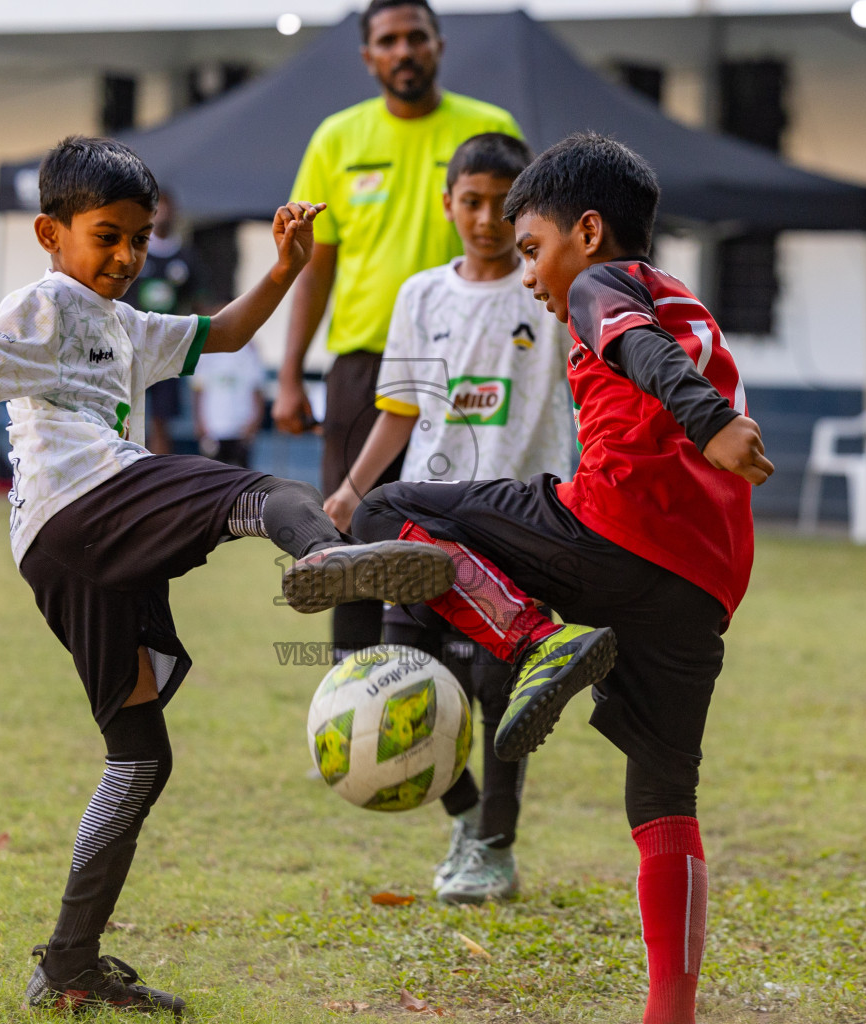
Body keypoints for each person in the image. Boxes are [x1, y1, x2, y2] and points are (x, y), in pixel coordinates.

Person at [0, 135, 454, 1014]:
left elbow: (224, 333)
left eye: (138, 238)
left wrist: (286, 270)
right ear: (51, 233)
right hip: (85, 498)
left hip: (61, 551)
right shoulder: (46, 303)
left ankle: (68, 962)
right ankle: (325, 559)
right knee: (267, 490)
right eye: (105, 234)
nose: (123, 255)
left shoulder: (127, 323)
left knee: (140, 756)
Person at [341, 134, 776, 1024]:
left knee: (391, 511)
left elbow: (641, 350)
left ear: (588, 229)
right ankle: (671, 1012)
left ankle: (537, 639)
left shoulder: (597, 285)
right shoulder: (682, 295)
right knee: (664, 796)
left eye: (533, 247)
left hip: (610, 531)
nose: (532, 274)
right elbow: (659, 343)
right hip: (702, 584)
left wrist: (711, 421)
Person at [323, 133, 572, 904]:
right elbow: (400, 412)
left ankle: (495, 848)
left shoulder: (553, 292)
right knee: (406, 683)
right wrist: (353, 489)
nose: (487, 218)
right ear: (448, 204)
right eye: (472, 201)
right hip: (429, 523)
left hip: (525, 519)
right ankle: (465, 816)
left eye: (504, 203)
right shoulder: (421, 295)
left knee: (502, 685)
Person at [275, 0, 523, 664]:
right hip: (361, 366)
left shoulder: (489, 128)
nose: (405, 50)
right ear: (369, 57)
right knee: (350, 526)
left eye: (417, 37)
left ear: (439, 45)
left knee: (458, 527)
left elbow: (526, 242)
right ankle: (354, 704)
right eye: (390, 40)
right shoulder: (337, 138)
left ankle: (458, 680)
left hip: (467, 363)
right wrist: (292, 373)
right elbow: (315, 265)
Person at [127, 186, 217, 455]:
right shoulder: (134, 250)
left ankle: (156, 480)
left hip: (167, 348)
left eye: (168, 207)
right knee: (128, 416)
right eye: (159, 208)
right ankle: (125, 475)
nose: (164, 213)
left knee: (161, 421)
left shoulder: (186, 257)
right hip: (132, 347)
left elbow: (202, 304)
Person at [192, 343, 267, 468]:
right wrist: (200, 423)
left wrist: (253, 425)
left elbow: (257, 389)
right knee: (213, 479)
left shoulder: (250, 349)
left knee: (243, 481)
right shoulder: (208, 349)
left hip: (241, 430)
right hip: (213, 430)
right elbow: (199, 388)